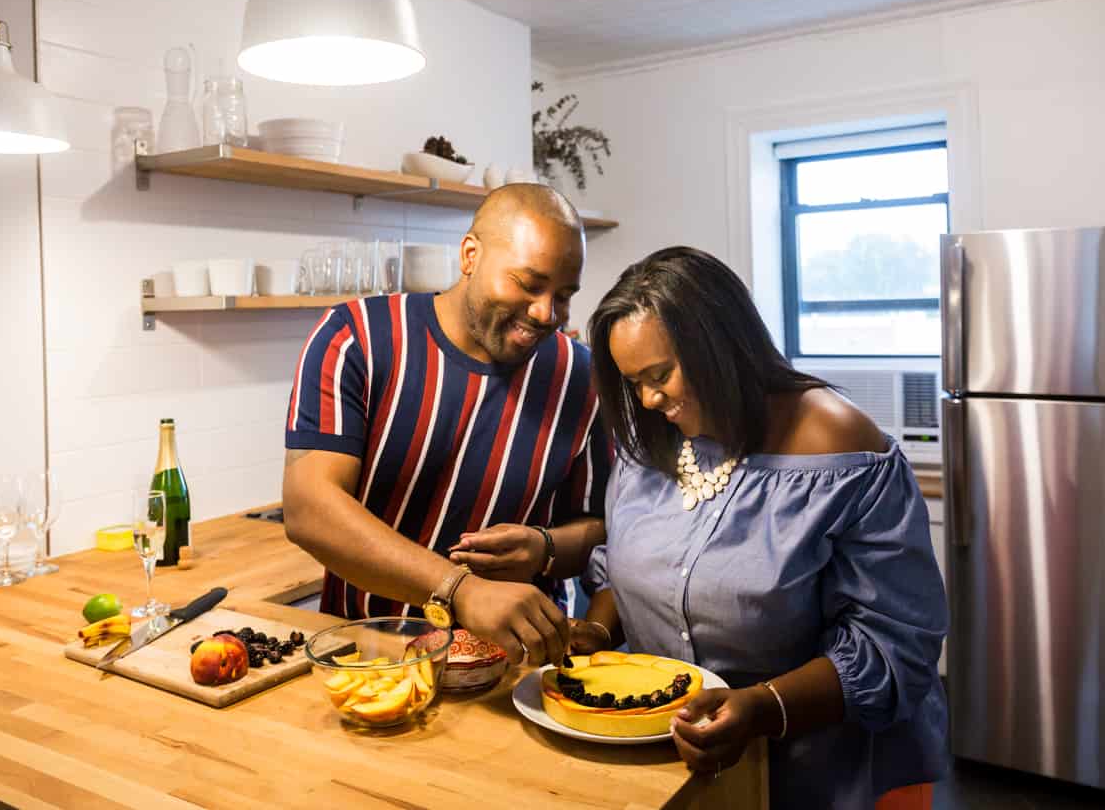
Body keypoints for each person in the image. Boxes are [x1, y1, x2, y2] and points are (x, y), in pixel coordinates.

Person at [577, 246, 947, 809]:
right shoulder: (654, 439)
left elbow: (895, 646)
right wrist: (597, 635)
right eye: (634, 384)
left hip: (824, 775)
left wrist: (760, 707)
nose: (649, 400)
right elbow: (618, 558)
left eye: (660, 375)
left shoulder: (842, 450)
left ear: (721, 346)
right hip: (680, 772)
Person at [282, 184, 612, 667]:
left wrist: (545, 548)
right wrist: (459, 590)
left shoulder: (581, 379)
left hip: (518, 669)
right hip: (371, 661)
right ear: (470, 255)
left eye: (563, 295)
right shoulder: (358, 339)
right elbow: (308, 508)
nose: (547, 313)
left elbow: (602, 529)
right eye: (528, 284)